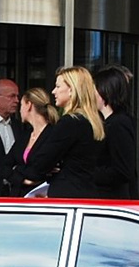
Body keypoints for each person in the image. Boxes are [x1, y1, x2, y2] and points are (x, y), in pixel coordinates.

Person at [18, 66, 106, 197]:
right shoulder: (94, 121)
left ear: (71, 90)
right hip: (87, 193)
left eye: (58, 87)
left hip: (67, 196)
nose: (53, 91)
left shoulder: (70, 122)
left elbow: (40, 164)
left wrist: (22, 174)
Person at [2, 87, 60, 196]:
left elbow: (37, 171)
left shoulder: (53, 135)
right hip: (18, 197)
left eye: (22, 105)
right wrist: (23, 180)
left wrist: (18, 170)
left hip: (41, 199)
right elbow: (4, 166)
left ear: (29, 105)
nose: (20, 110)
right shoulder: (25, 135)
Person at [93, 64, 138, 200]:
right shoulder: (111, 122)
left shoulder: (118, 123)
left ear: (105, 90)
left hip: (113, 200)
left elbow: (122, 170)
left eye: (94, 88)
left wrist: (88, 173)